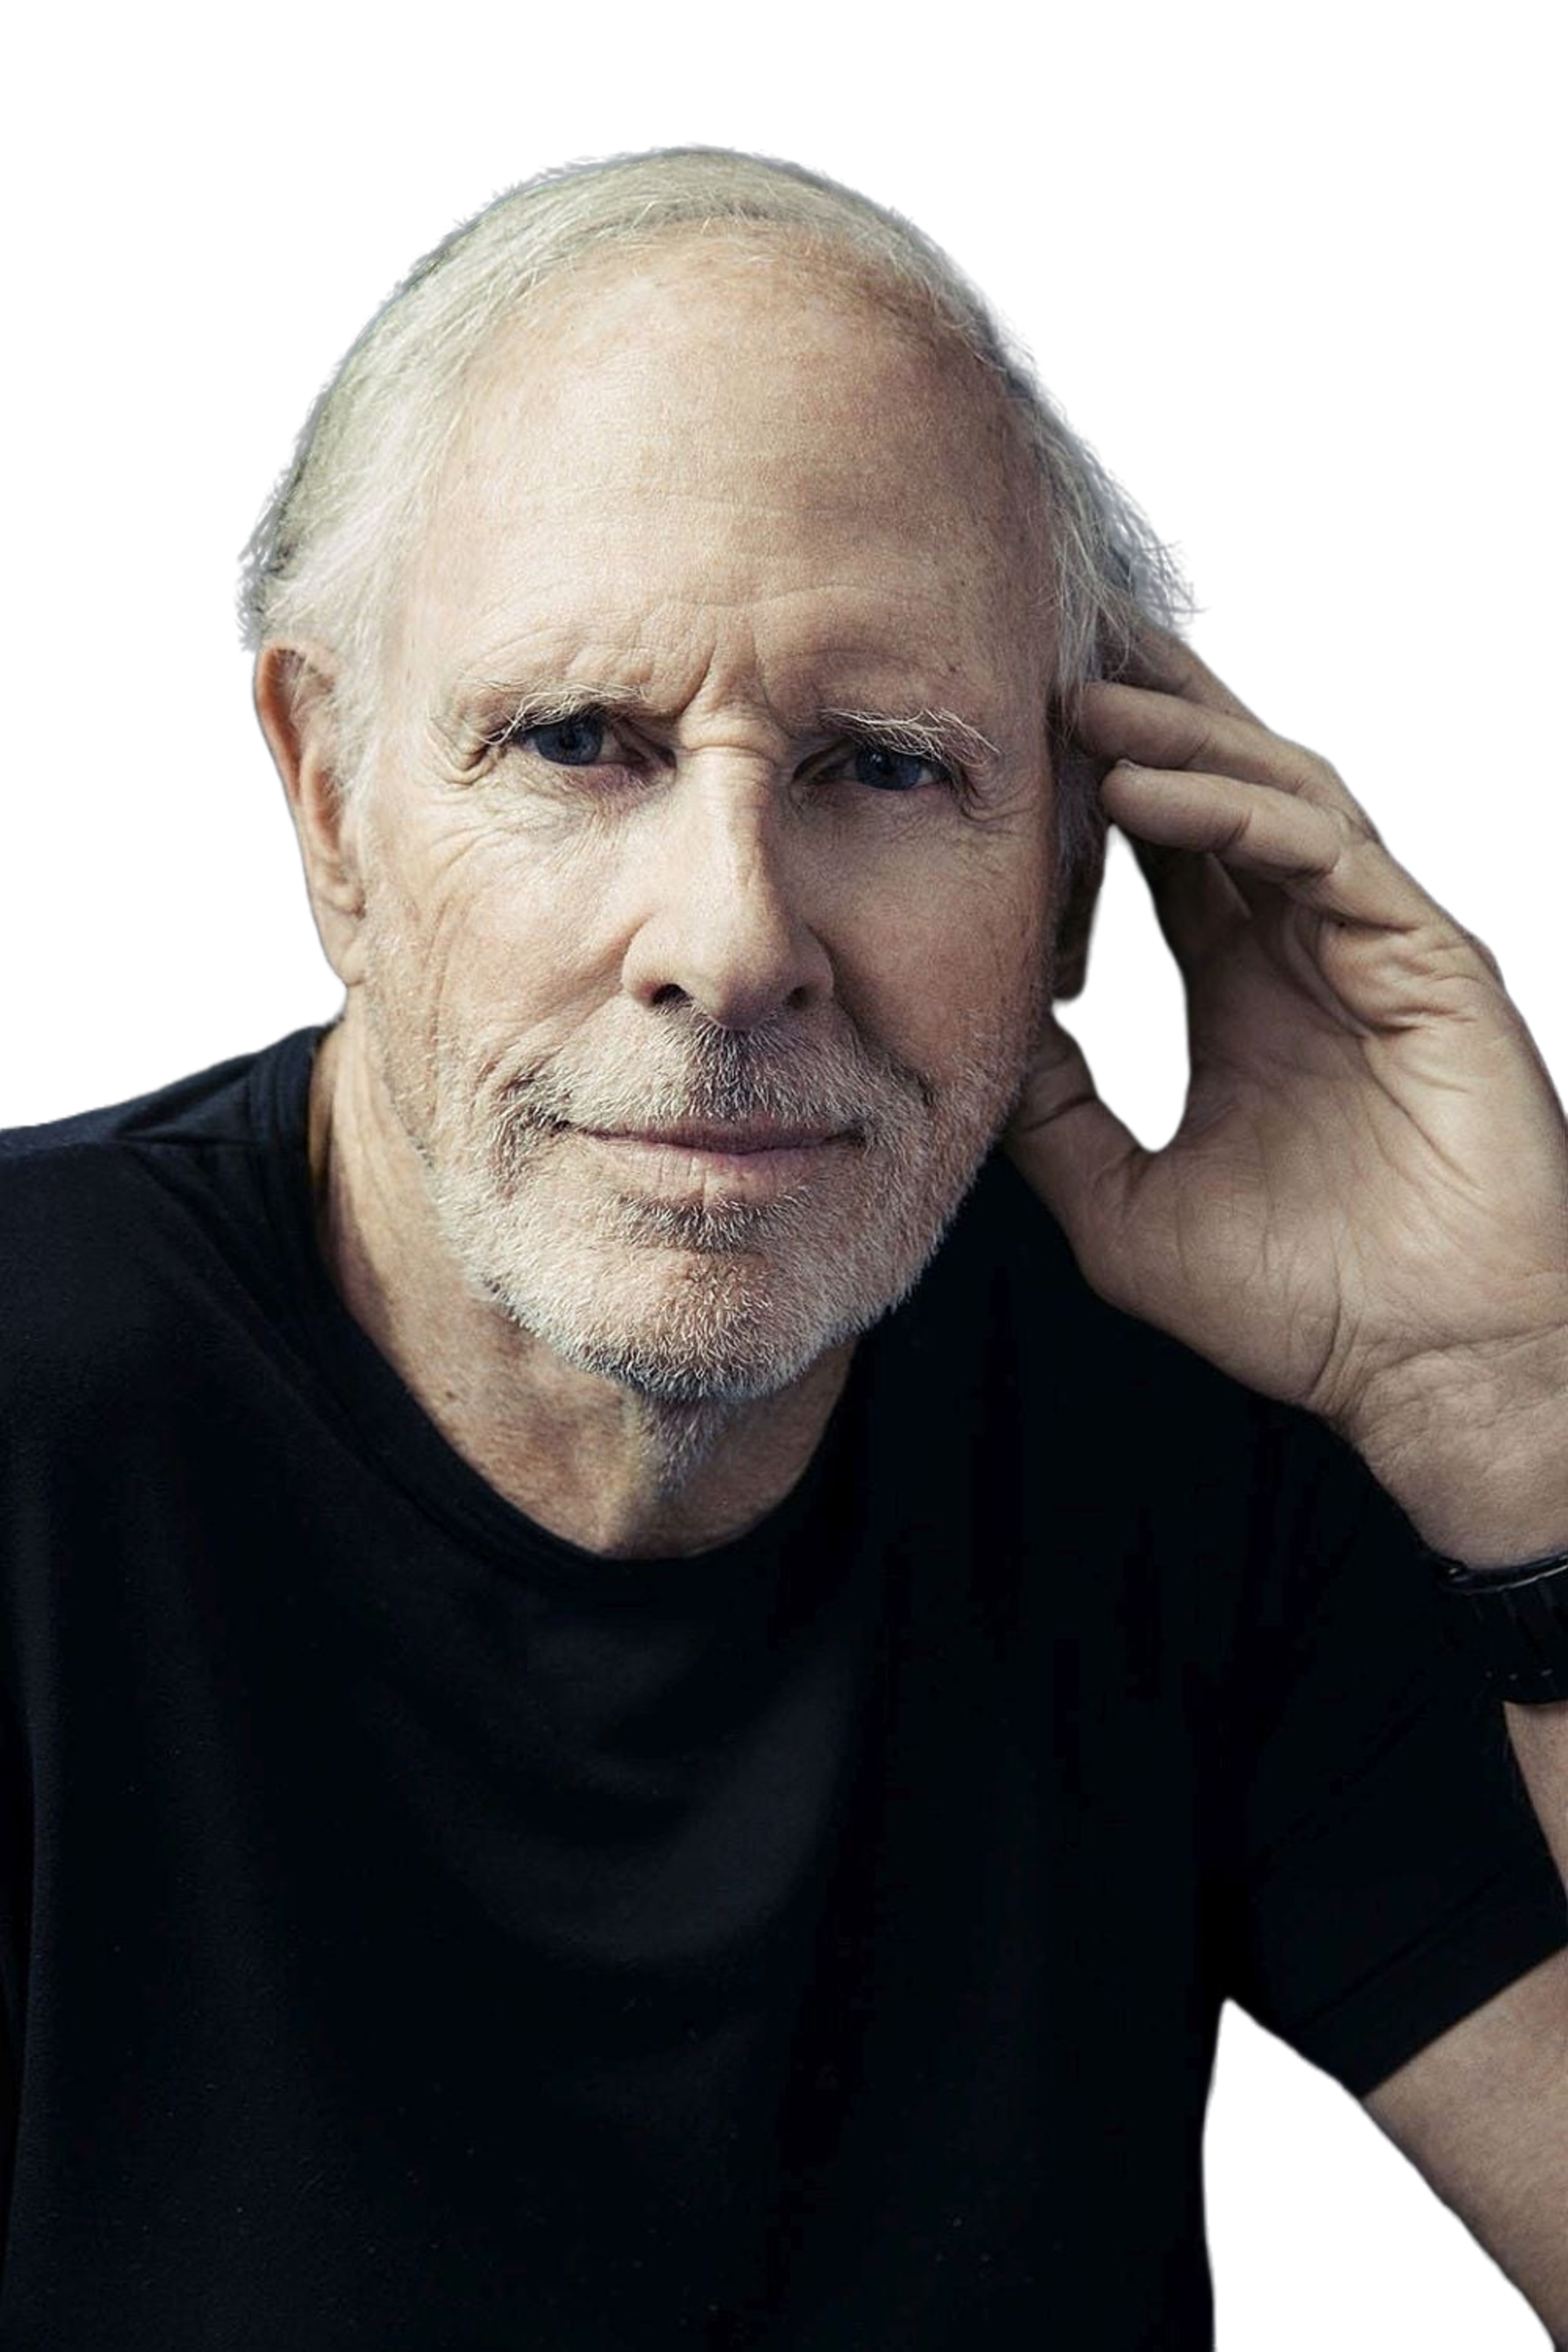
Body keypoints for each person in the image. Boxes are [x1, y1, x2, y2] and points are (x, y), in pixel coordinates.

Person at [2, 144, 1563, 2349]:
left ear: (1076, 870)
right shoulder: (27, 1394)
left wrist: (1515, 1406)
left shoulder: (1194, 1429)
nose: (734, 944)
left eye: (886, 765)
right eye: (577, 741)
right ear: (332, 805)